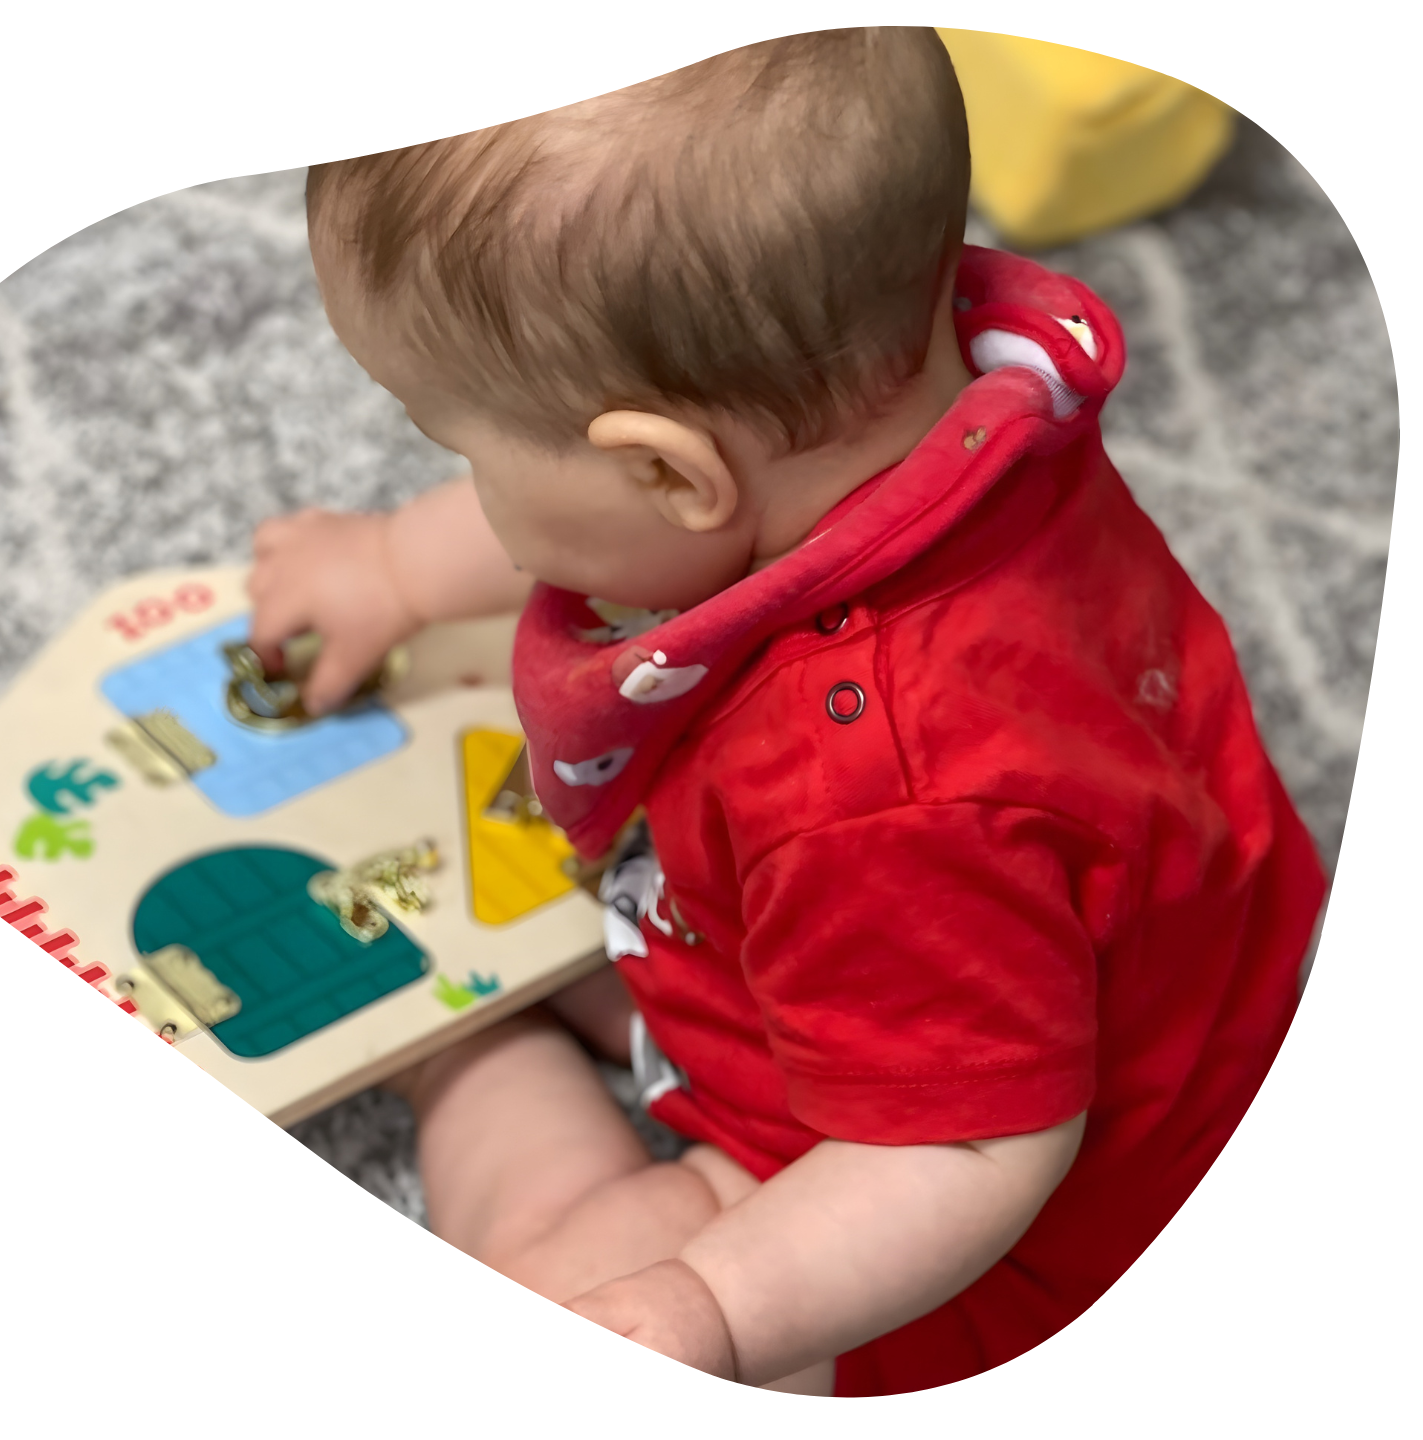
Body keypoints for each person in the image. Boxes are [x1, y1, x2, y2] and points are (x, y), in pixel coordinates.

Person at [246, 29, 1326, 1396]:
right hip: (1069, 980)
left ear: (672, 476)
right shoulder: (960, 392)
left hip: (990, 1220)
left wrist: (712, 1298)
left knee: (563, 1268)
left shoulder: (884, 797)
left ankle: (466, 1060)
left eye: (460, 448)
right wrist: (396, 569)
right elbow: (615, 507)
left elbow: (962, 1152)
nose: (470, 486)